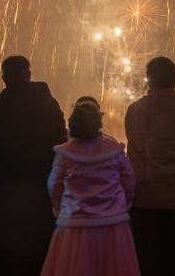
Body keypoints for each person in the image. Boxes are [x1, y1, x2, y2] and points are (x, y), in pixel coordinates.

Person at [0, 55, 67, 276]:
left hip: (5, 194)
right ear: (28, 74)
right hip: (40, 191)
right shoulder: (49, 103)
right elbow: (61, 142)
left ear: (4, 79)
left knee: (5, 257)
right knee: (38, 253)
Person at [125, 56, 175, 276]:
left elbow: (135, 142)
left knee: (150, 259)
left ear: (149, 80)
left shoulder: (135, 111)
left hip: (146, 197)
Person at [41, 99, 140, 276]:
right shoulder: (114, 150)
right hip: (113, 225)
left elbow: (53, 185)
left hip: (74, 225)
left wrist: (59, 209)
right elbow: (129, 180)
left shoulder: (65, 153)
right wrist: (123, 204)